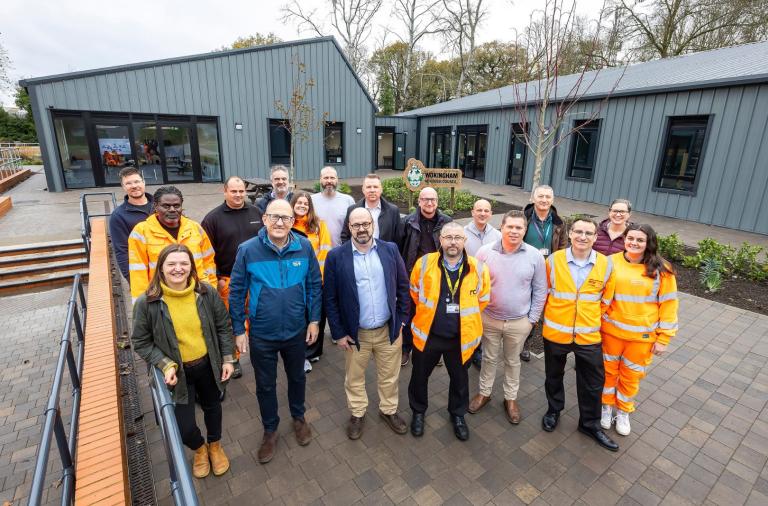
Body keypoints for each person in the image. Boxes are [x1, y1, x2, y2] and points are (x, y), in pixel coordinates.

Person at [228, 199, 322, 464]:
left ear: (293, 221)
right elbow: (236, 292)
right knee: (265, 385)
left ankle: (299, 417)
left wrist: (314, 320)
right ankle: (270, 430)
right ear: (265, 219)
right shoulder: (247, 250)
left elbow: (315, 284)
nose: (280, 223)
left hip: (296, 330)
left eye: (286, 218)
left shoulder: (304, 246)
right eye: (274, 217)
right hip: (261, 334)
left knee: (297, 378)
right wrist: (238, 329)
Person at [132, 244, 234, 479]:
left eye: (184, 263)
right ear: (161, 268)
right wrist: (165, 363)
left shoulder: (206, 293)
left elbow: (223, 328)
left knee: (213, 407)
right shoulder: (147, 303)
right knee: (184, 426)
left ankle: (215, 446)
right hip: (179, 374)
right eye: (171, 264)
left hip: (208, 365)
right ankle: (199, 448)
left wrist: (228, 359)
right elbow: (141, 341)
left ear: (191, 267)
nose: (178, 269)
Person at [324, 208, 410, 440]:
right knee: (354, 378)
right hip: (355, 335)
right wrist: (339, 332)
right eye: (356, 225)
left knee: (390, 376)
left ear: (372, 224)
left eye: (365, 223)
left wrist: (402, 320)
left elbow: (403, 287)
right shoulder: (336, 257)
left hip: (387, 330)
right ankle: (358, 413)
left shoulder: (390, 250)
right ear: (349, 228)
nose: (361, 228)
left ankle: (388, 410)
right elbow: (330, 298)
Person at [541, 217, 619, 452]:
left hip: (588, 334)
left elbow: (606, 300)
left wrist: (588, 318)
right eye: (578, 232)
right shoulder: (554, 261)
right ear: (570, 234)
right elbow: (544, 293)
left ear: (596, 237)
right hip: (556, 331)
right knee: (553, 375)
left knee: (593, 383)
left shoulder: (605, 265)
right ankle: (554, 410)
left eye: (588, 233)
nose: (583, 237)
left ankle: (590, 424)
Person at [407, 222, 490, 441]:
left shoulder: (479, 268)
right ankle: (418, 412)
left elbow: (482, 299)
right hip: (429, 335)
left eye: (458, 238)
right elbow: (414, 292)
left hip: (461, 338)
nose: (453, 242)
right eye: (448, 237)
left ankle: (458, 415)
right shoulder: (424, 263)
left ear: (465, 241)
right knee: (419, 377)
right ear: (440, 240)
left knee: (460, 380)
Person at [469, 211, 547, 424]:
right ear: (501, 227)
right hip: (489, 318)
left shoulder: (535, 256)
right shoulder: (484, 252)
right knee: (488, 358)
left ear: (525, 230)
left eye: (518, 227)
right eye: (510, 227)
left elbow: (541, 290)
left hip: (519, 322)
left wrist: (532, 320)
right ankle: (484, 393)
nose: (514, 231)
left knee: (513, 361)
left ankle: (510, 399)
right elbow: (473, 285)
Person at [601, 223, 678, 436]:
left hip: (641, 337)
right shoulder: (609, 263)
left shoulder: (663, 269)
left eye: (640, 240)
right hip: (611, 332)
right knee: (608, 373)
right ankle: (606, 406)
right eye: (630, 238)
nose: (634, 243)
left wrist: (664, 338)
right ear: (624, 239)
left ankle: (623, 411)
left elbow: (669, 304)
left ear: (649, 243)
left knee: (631, 376)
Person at [201, 176, 263, 379]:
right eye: (233, 191)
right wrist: (216, 278)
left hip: (256, 278)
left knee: (257, 316)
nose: (238, 195)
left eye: (241, 191)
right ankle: (233, 359)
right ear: (224, 191)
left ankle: (260, 350)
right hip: (228, 280)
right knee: (231, 321)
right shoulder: (212, 219)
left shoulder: (256, 212)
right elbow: (205, 253)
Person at [128, 186, 217, 302]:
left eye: (176, 206)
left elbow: (209, 261)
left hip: (197, 294)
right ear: (156, 206)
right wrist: (141, 306)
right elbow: (137, 274)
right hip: (162, 298)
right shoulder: (141, 232)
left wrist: (211, 290)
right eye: (166, 206)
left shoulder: (195, 228)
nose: (172, 210)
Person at [398, 187, 452, 366]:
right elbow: (400, 248)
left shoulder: (447, 222)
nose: (429, 203)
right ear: (419, 201)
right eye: (425, 199)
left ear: (437, 201)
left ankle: (433, 350)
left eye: (433, 199)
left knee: (435, 313)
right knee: (410, 312)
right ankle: (406, 348)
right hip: (412, 277)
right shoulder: (407, 222)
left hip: (438, 277)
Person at [520, 185, 568, 362]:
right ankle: (519, 340)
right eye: (540, 196)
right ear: (533, 198)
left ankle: (533, 342)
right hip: (524, 268)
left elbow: (563, 247)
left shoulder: (559, 223)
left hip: (547, 271)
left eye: (548, 197)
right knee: (524, 304)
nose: (544, 200)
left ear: (552, 200)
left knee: (540, 307)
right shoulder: (523, 218)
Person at [290, 191, 332, 371]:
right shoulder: (288, 225)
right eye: (298, 203)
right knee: (299, 317)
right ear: (292, 205)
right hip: (295, 283)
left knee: (317, 317)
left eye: (305, 204)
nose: (302, 206)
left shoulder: (319, 225)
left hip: (316, 281)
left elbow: (325, 251)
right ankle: (299, 353)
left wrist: (317, 278)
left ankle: (313, 352)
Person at [463, 198, 502, 368]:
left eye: (486, 211)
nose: (482, 213)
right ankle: (470, 351)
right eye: (479, 210)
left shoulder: (498, 235)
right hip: (468, 285)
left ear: (491, 214)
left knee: (484, 320)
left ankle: (480, 351)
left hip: (490, 285)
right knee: (470, 319)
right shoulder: (462, 233)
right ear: (472, 212)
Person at [110, 167, 153, 281]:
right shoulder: (118, 216)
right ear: (123, 187)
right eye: (128, 183)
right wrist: (132, 280)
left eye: (137, 181)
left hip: (171, 271)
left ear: (144, 182)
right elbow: (121, 251)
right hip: (144, 275)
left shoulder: (162, 205)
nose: (134, 186)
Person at [340, 174, 402, 243]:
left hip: (384, 253)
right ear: (363, 190)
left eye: (375, 187)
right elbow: (345, 236)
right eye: (368, 187)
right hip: (358, 252)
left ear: (381, 189)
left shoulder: (393, 211)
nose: (372, 190)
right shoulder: (352, 210)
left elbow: (398, 238)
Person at [311, 166, 355, 247]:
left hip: (342, 250)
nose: (329, 181)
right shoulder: (311, 201)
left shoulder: (348, 200)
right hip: (318, 252)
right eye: (326, 178)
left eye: (332, 178)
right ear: (320, 179)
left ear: (337, 179)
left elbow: (354, 226)